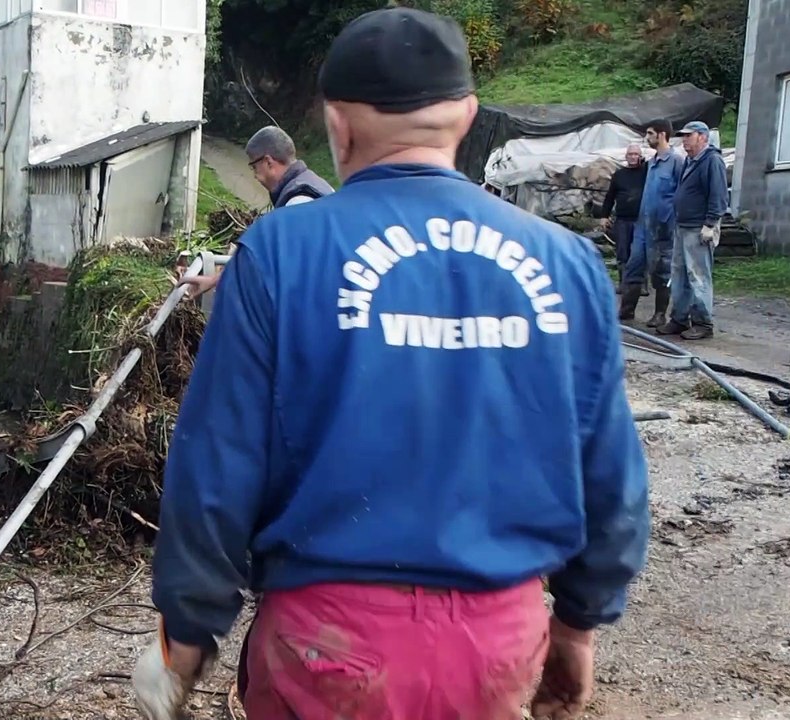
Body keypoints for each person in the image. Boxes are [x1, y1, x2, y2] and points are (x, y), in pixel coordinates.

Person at [131, 7, 650, 720]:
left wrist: (185, 634)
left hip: (326, 646)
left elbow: (217, 462)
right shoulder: (566, 264)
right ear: (466, 117)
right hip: (498, 642)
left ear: (337, 124)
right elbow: (611, 474)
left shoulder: (280, 253)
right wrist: (577, 625)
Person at [180, 126, 336, 299]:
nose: (255, 176)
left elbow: (277, 266)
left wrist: (219, 282)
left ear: (268, 162)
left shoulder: (298, 204)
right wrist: (216, 279)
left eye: (254, 167)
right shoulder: (316, 184)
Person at [659, 120, 727, 341]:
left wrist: (710, 224)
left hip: (698, 228)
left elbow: (719, 195)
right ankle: (679, 319)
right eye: (684, 136)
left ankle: (703, 323)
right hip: (683, 225)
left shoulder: (712, 161)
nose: (685, 140)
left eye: (689, 136)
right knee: (678, 275)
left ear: (703, 137)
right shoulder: (690, 161)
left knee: (698, 276)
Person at [620, 119, 686, 327]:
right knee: (634, 265)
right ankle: (626, 311)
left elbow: (681, 194)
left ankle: (660, 314)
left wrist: (671, 219)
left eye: (650, 134)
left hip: (663, 226)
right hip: (643, 223)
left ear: (662, 135)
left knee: (661, 269)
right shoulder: (652, 162)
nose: (647, 138)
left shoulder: (676, 162)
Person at [597, 143, 647, 272]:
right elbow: (610, 197)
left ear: (640, 156)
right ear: (626, 156)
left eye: (636, 154)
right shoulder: (619, 175)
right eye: (630, 154)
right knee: (622, 252)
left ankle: (640, 285)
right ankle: (624, 284)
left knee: (639, 252)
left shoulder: (646, 173)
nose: (633, 157)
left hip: (641, 220)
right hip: (622, 220)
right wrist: (604, 216)